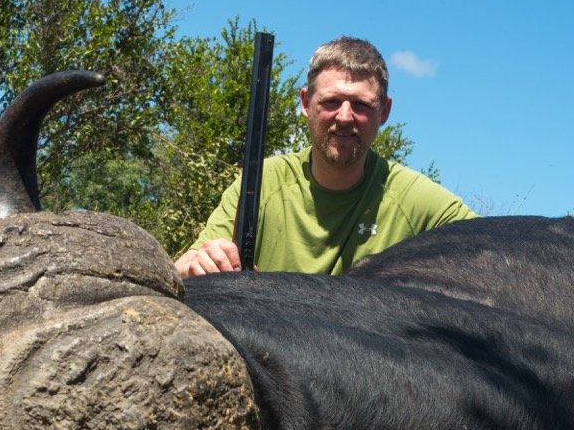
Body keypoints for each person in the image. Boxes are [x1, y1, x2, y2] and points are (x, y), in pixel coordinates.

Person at [174, 36, 477, 278]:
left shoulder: (415, 200)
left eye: (361, 105)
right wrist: (195, 265)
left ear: (384, 112)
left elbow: (497, 250)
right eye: (331, 102)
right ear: (306, 103)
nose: (345, 117)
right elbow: (183, 265)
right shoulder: (261, 182)